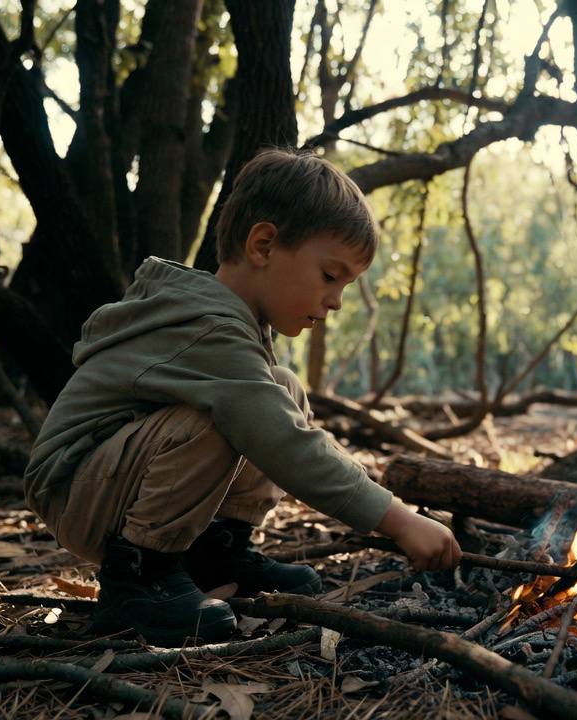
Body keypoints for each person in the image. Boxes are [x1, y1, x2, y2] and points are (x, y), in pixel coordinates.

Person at [23, 148, 461, 646]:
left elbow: (285, 424)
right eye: (331, 276)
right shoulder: (210, 329)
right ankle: (138, 578)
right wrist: (398, 521)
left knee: (281, 390)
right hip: (74, 487)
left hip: (108, 480)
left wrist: (389, 505)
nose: (336, 300)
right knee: (234, 415)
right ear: (264, 244)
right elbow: (283, 441)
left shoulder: (234, 326)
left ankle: (214, 554)